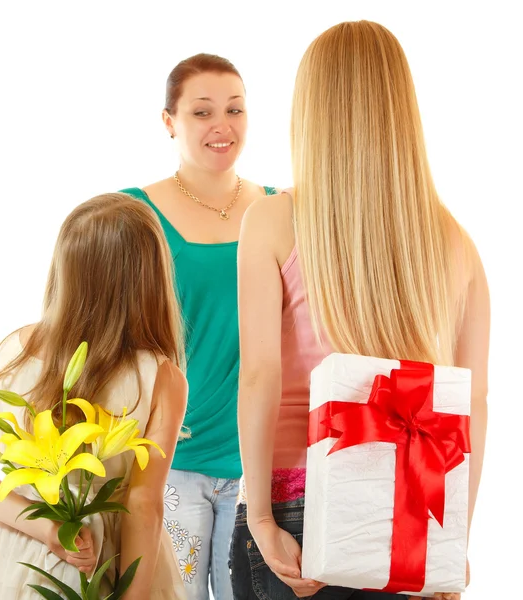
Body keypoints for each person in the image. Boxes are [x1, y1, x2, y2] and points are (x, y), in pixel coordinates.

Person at [232, 21, 489, 600]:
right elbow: (471, 404)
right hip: (411, 516)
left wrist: (262, 521)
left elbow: (259, 376)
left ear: (310, 111)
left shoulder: (272, 221)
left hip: (294, 509)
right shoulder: (458, 244)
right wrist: (452, 544)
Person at [0, 193, 188, 600]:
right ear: (150, 274)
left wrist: (44, 527)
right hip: (107, 561)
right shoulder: (160, 376)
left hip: (19, 557)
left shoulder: (17, 351)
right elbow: (143, 505)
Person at [120, 53, 278, 600]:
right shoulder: (135, 214)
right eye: (202, 111)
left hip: (264, 461)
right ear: (169, 121)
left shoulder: (282, 210)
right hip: (172, 461)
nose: (222, 125)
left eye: (235, 110)